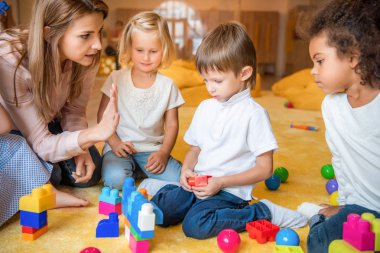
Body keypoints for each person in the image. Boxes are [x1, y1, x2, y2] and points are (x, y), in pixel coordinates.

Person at [150, 22, 307, 239]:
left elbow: (265, 169)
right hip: (200, 183)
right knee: (160, 212)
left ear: (244, 73)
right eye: (205, 80)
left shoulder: (254, 114)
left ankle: (263, 212)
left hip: (230, 191)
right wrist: (186, 170)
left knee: (195, 225)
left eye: (217, 80)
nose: (210, 88)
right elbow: (194, 150)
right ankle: (168, 190)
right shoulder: (205, 107)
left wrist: (221, 182)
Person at [0, 0, 119, 208]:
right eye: (85, 35)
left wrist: (81, 148)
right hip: (19, 130)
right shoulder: (10, 59)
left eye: (98, 32)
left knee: (90, 174)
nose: (98, 45)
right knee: (51, 174)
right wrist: (93, 134)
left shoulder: (87, 55)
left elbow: (74, 110)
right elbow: (40, 141)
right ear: (49, 33)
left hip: (50, 121)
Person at [295, 1, 380, 252]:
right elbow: (340, 159)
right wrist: (343, 206)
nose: (313, 71)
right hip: (360, 209)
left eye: (320, 61)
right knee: (320, 242)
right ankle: (323, 218)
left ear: (353, 57)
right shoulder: (331, 106)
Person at [97, 11, 184, 191]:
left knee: (179, 179)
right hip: (119, 147)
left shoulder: (168, 86)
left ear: (164, 49)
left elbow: (173, 125)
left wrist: (163, 153)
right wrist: (114, 142)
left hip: (152, 151)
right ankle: (131, 169)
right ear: (129, 48)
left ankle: (140, 171)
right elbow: (101, 116)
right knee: (115, 181)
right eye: (139, 50)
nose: (146, 57)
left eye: (153, 51)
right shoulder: (116, 78)